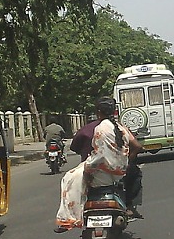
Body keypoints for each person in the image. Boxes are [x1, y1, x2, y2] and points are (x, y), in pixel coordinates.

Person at [54, 97, 139, 232]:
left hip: (102, 171)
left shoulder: (99, 128)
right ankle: (129, 207)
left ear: (98, 112)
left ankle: (69, 218)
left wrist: (87, 170)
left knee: (69, 178)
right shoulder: (120, 128)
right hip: (119, 171)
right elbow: (136, 146)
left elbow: (99, 155)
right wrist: (127, 162)